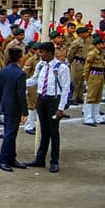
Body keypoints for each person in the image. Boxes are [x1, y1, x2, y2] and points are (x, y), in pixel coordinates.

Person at [25, 42, 70, 173]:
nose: (40, 55)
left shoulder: (61, 67)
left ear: (50, 53)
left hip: (53, 100)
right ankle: (40, 158)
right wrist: (20, 81)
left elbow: (66, 88)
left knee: (53, 131)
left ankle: (54, 161)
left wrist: (60, 108)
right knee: (44, 131)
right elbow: (34, 80)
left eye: (42, 52)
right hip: (42, 99)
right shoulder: (41, 65)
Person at [0, 47, 28, 172]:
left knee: (11, 133)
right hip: (14, 107)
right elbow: (21, 95)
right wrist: (24, 111)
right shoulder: (20, 74)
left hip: (6, 104)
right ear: (20, 58)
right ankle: (3, 160)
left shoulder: (4, 70)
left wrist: (2, 102)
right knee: (10, 134)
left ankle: (11, 157)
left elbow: (0, 89)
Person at [81, 35, 104, 126]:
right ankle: (88, 117)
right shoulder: (92, 53)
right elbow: (87, 66)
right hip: (93, 75)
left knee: (98, 97)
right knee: (91, 97)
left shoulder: (101, 53)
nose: (102, 45)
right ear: (96, 44)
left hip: (100, 75)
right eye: (101, 44)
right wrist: (86, 78)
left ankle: (96, 116)